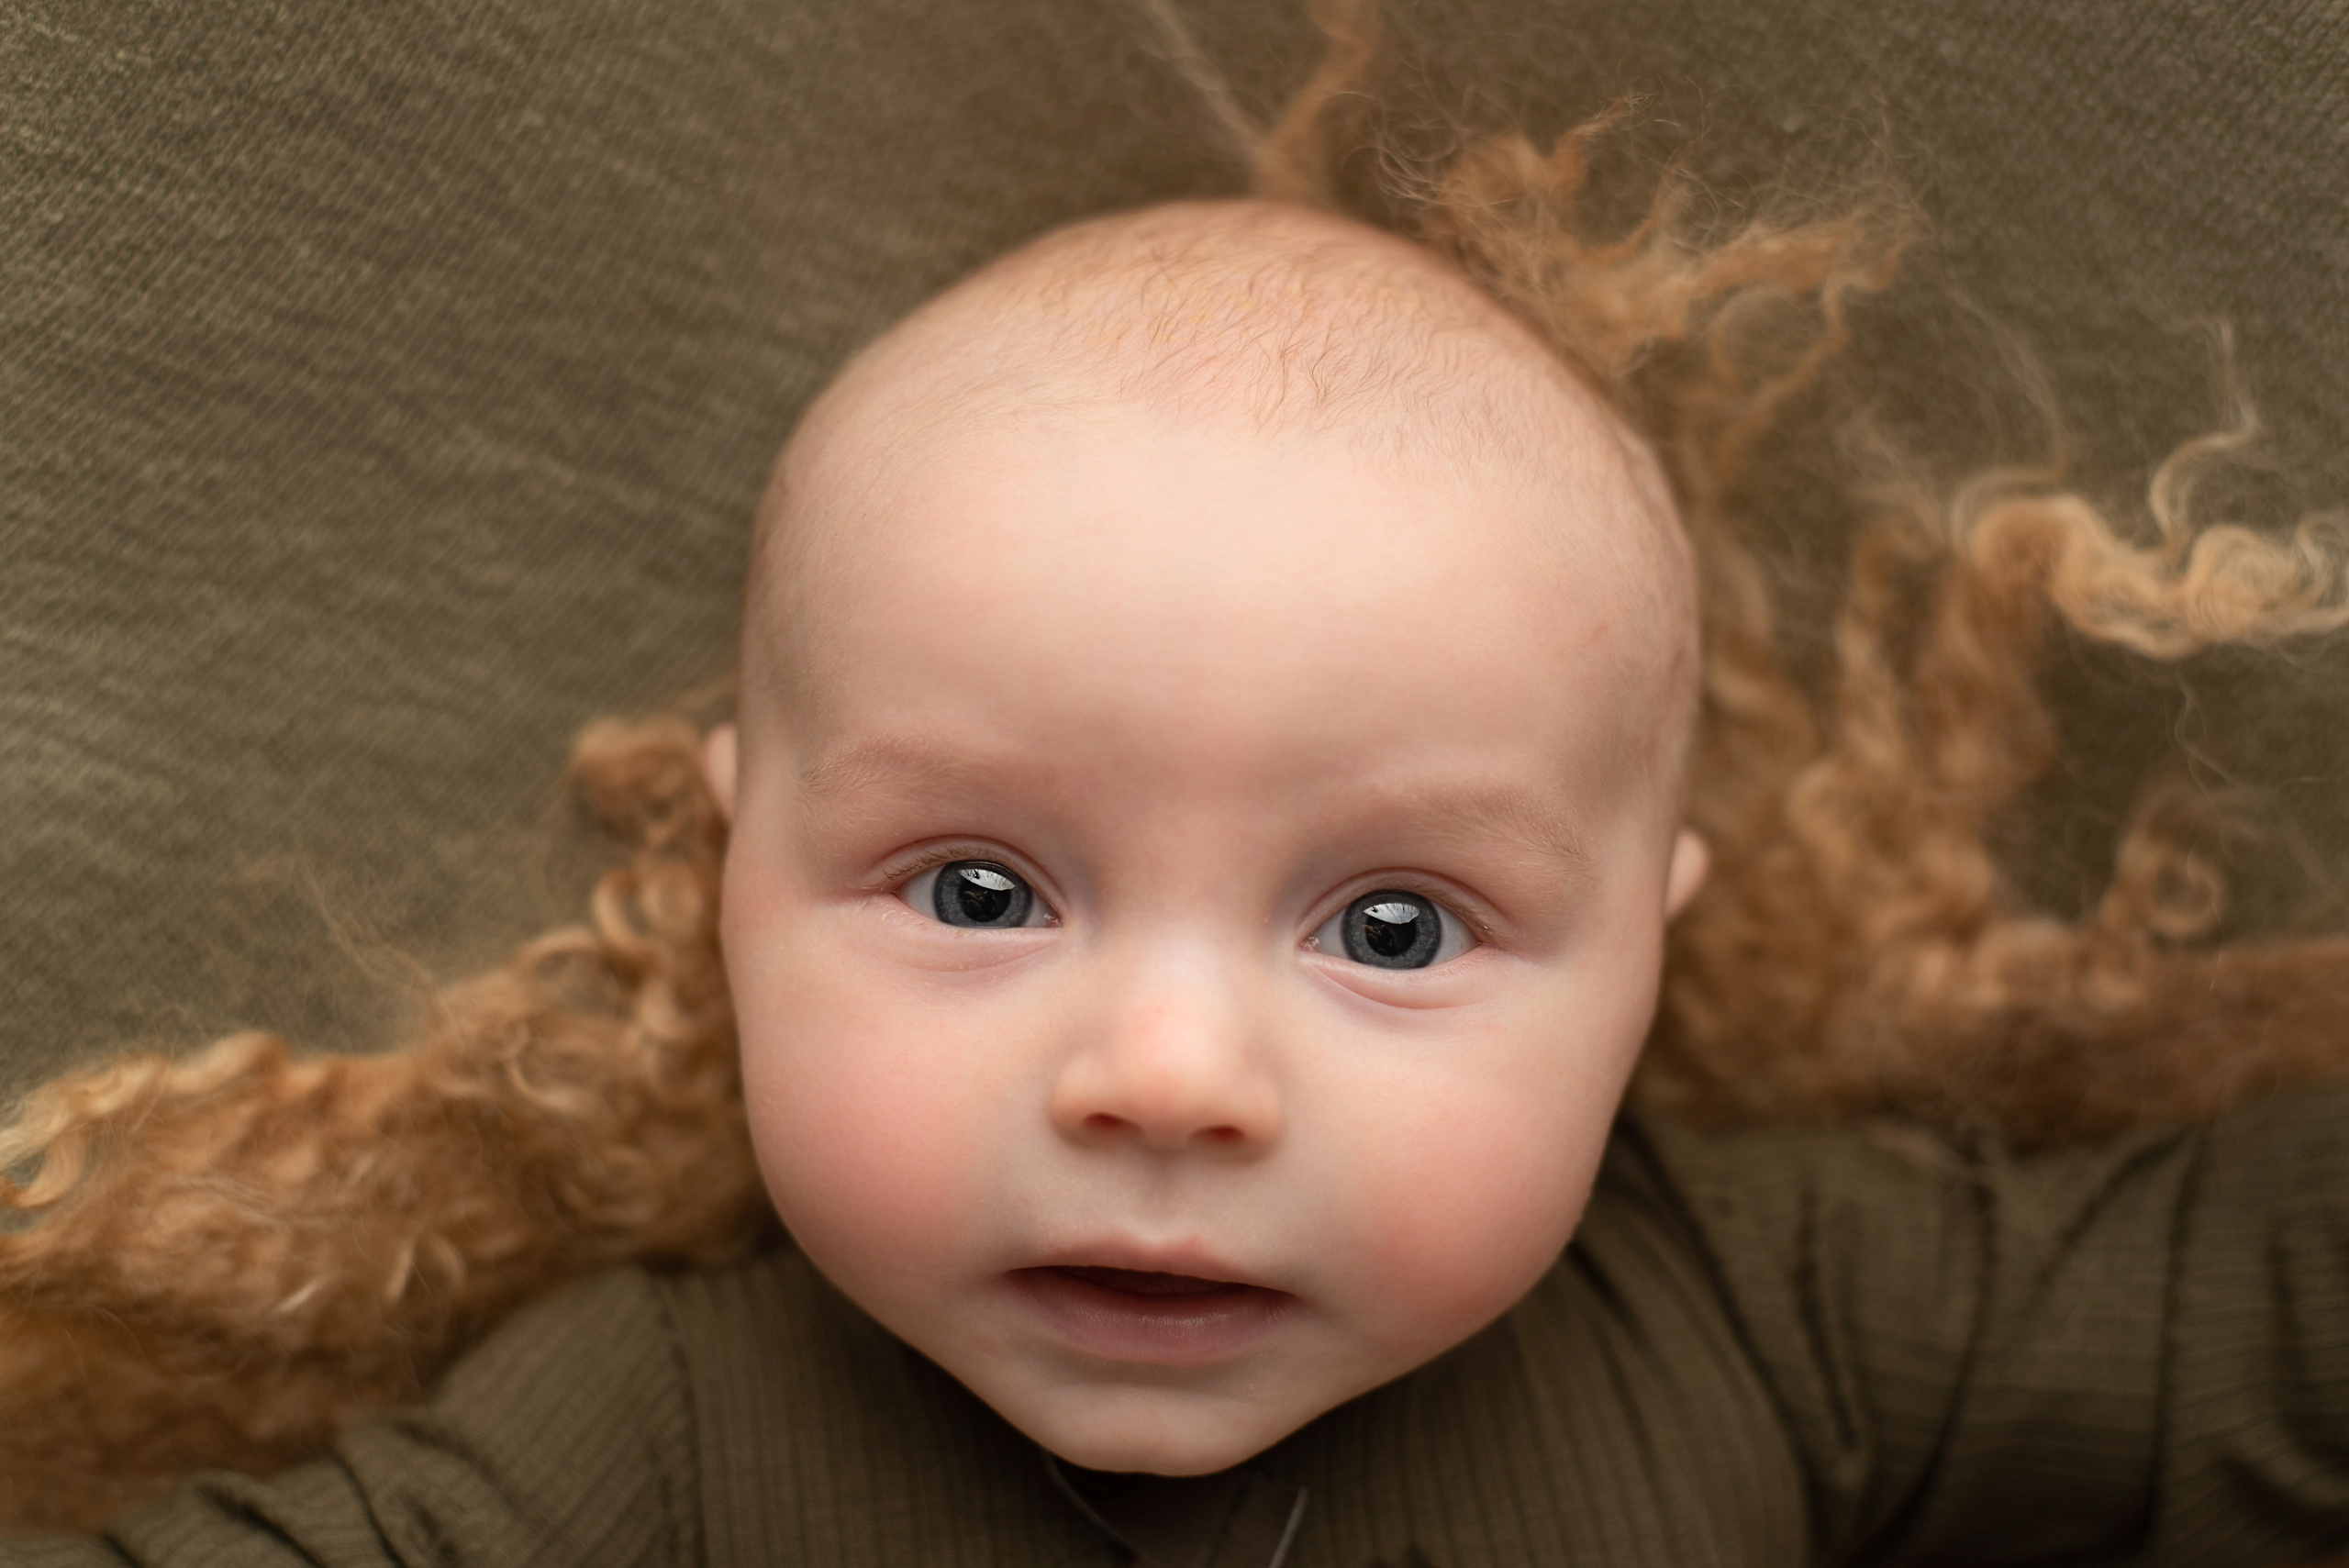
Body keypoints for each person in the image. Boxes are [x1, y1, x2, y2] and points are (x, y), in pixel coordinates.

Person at [6, 18, 2348, 1565]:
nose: (1164, 1078)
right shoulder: (651, 1442)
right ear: (731, 880)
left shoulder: (1763, 1302)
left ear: (1649, 949)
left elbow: (2263, 1325)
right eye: (981, 888)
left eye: (1396, 930)